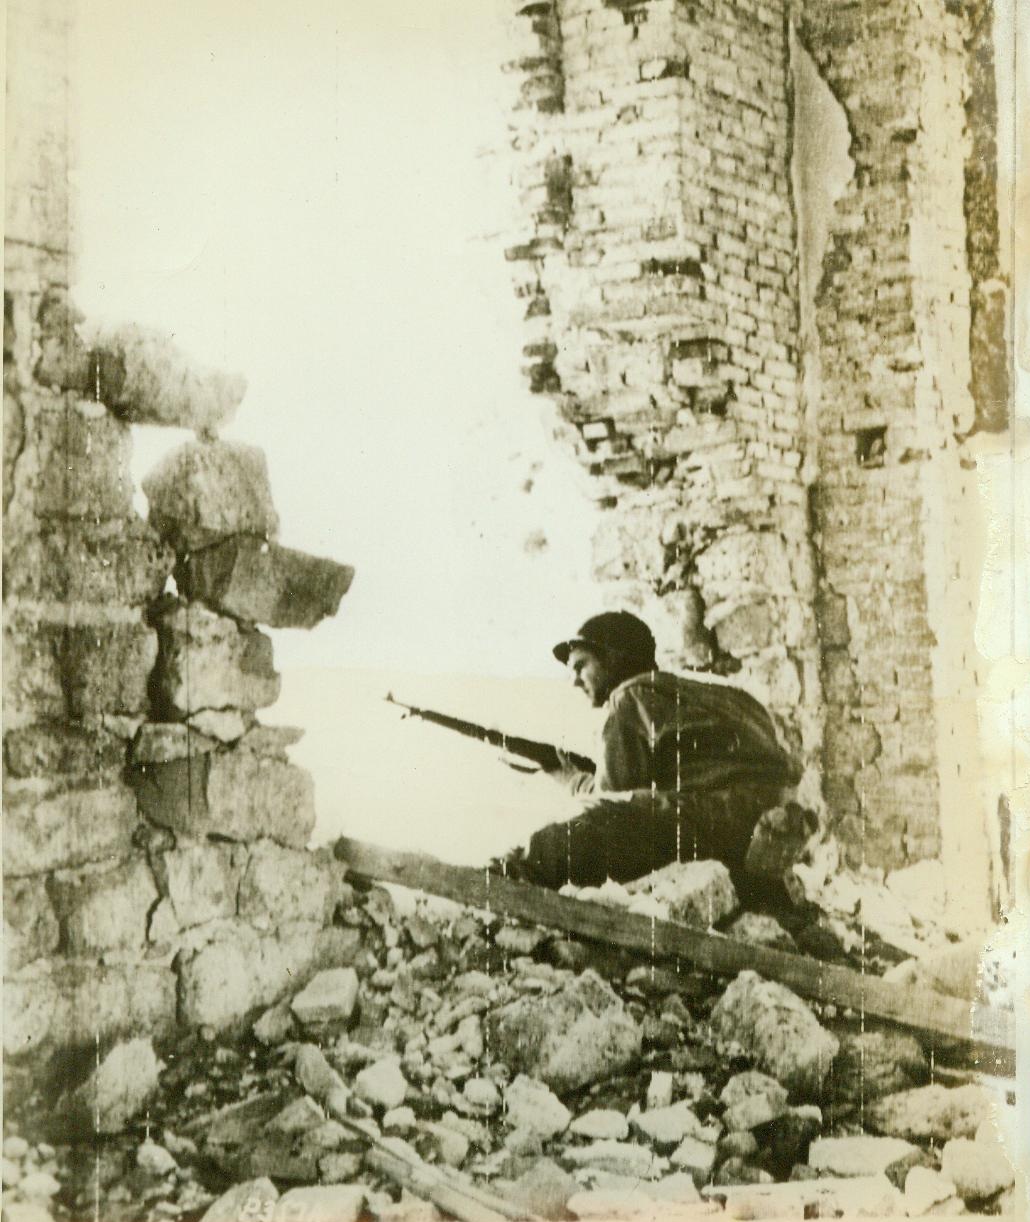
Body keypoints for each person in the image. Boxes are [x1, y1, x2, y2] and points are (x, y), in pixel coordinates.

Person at [493, 610, 799, 891]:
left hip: (722, 819)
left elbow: (611, 801)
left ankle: (504, 879)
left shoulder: (629, 695)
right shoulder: (703, 690)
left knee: (558, 843)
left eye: (581, 666)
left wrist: (572, 780)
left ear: (612, 658)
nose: (574, 681)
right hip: (764, 820)